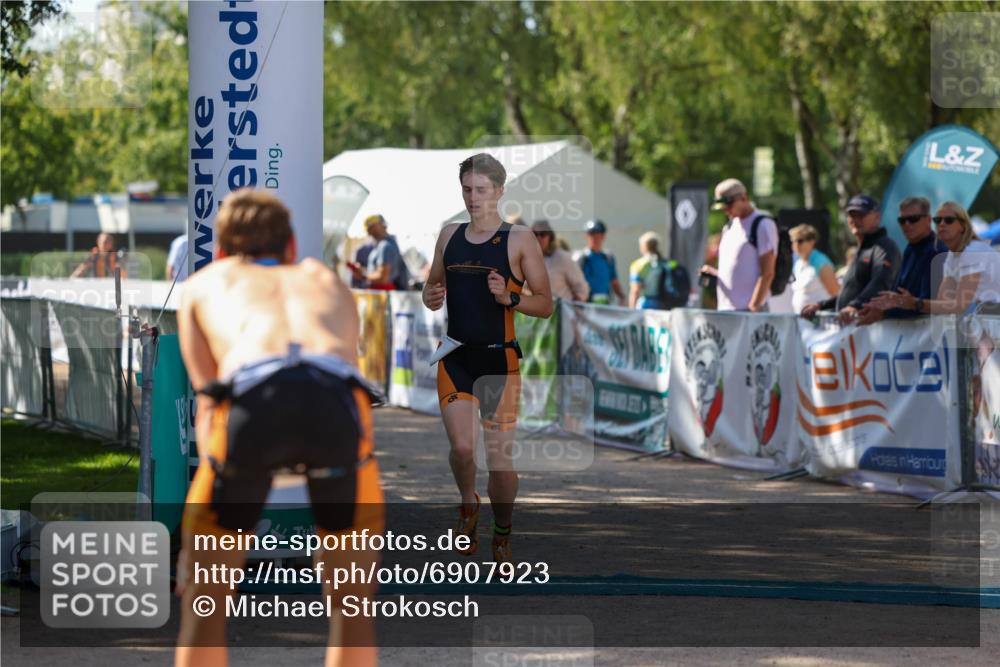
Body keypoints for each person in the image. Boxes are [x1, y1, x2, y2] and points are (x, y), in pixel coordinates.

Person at [175, 189, 383, 667]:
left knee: (204, 602)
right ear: (291, 247)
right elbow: (344, 372)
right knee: (352, 604)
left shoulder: (207, 282)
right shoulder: (322, 278)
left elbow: (210, 403)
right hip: (332, 404)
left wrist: (215, 503)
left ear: (224, 250)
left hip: (254, 402)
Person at [422, 153, 552, 563]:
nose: (472, 198)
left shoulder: (519, 238)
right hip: (457, 357)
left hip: (499, 362)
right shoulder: (448, 235)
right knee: (463, 449)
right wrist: (429, 296)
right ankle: (467, 503)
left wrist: (510, 298)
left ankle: (502, 531)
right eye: (466, 189)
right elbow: (432, 287)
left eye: (480, 190)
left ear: (499, 190)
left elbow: (545, 304)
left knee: (498, 461)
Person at [869, 201, 1000, 315]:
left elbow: (959, 307)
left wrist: (914, 303)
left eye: (949, 220)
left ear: (963, 226)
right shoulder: (952, 256)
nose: (942, 224)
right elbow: (942, 304)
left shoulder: (973, 250)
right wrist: (903, 302)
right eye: (938, 220)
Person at [800, 194, 901, 325]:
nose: (855, 220)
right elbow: (851, 292)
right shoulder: (864, 248)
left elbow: (880, 283)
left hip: (872, 333)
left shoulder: (884, 247)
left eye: (861, 215)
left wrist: (855, 306)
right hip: (853, 332)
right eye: (851, 215)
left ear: (877, 217)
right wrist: (821, 305)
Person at [857, 196, 947, 325]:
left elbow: (930, 304)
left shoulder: (938, 251)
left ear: (928, 220)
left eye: (913, 219)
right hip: (908, 335)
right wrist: (880, 305)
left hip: (931, 337)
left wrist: (884, 312)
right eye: (902, 220)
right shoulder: (910, 248)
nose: (907, 224)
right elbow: (900, 294)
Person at [699, 178, 777, 312]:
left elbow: (768, 272)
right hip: (726, 310)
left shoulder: (762, 224)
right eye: (722, 207)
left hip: (750, 312)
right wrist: (716, 275)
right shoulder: (728, 227)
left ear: (744, 198)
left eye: (729, 205)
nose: (726, 210)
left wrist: (754, 306)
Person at [531, 219, 589, 302]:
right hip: (535, 313)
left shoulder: (562, 257)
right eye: (535, 234)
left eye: (543, 234)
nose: (539, 238)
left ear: (550, 237)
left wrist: (573, 309)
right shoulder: (527, 260)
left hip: (562, 312)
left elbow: (582, 289)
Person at [789, 224, 839, 314]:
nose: (796, 245)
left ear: (811, 241)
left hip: (820, 322)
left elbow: (835, 292)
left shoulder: (821, 262)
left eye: (800, 241)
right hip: (801, 322)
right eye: (793, 241)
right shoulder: (798, 263)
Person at [575, 220, 626, 305]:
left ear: (603, 236)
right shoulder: (580, 258)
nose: (595, 238)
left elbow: (614, 280)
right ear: (586, 236)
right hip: (586, 304)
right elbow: (574, 283)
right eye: (591, 235)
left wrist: (622, 297)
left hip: (604, 303)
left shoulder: (608, 257)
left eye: (598, 235)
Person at [352, 214, 409, 290]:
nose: (370, 231)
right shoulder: (382, 245)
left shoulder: (385, 246)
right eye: (369, 229)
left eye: (372, 227)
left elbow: (383, 278)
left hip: (383, 295)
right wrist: (363, 271)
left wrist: (362, 275)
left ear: (382, 225)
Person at [628, 231, 668, 309]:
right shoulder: (664, 263)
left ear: (644, 246)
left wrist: (631, 310)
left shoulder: (638, 265)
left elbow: (635, 290)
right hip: (663, 305)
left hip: (645, 305)